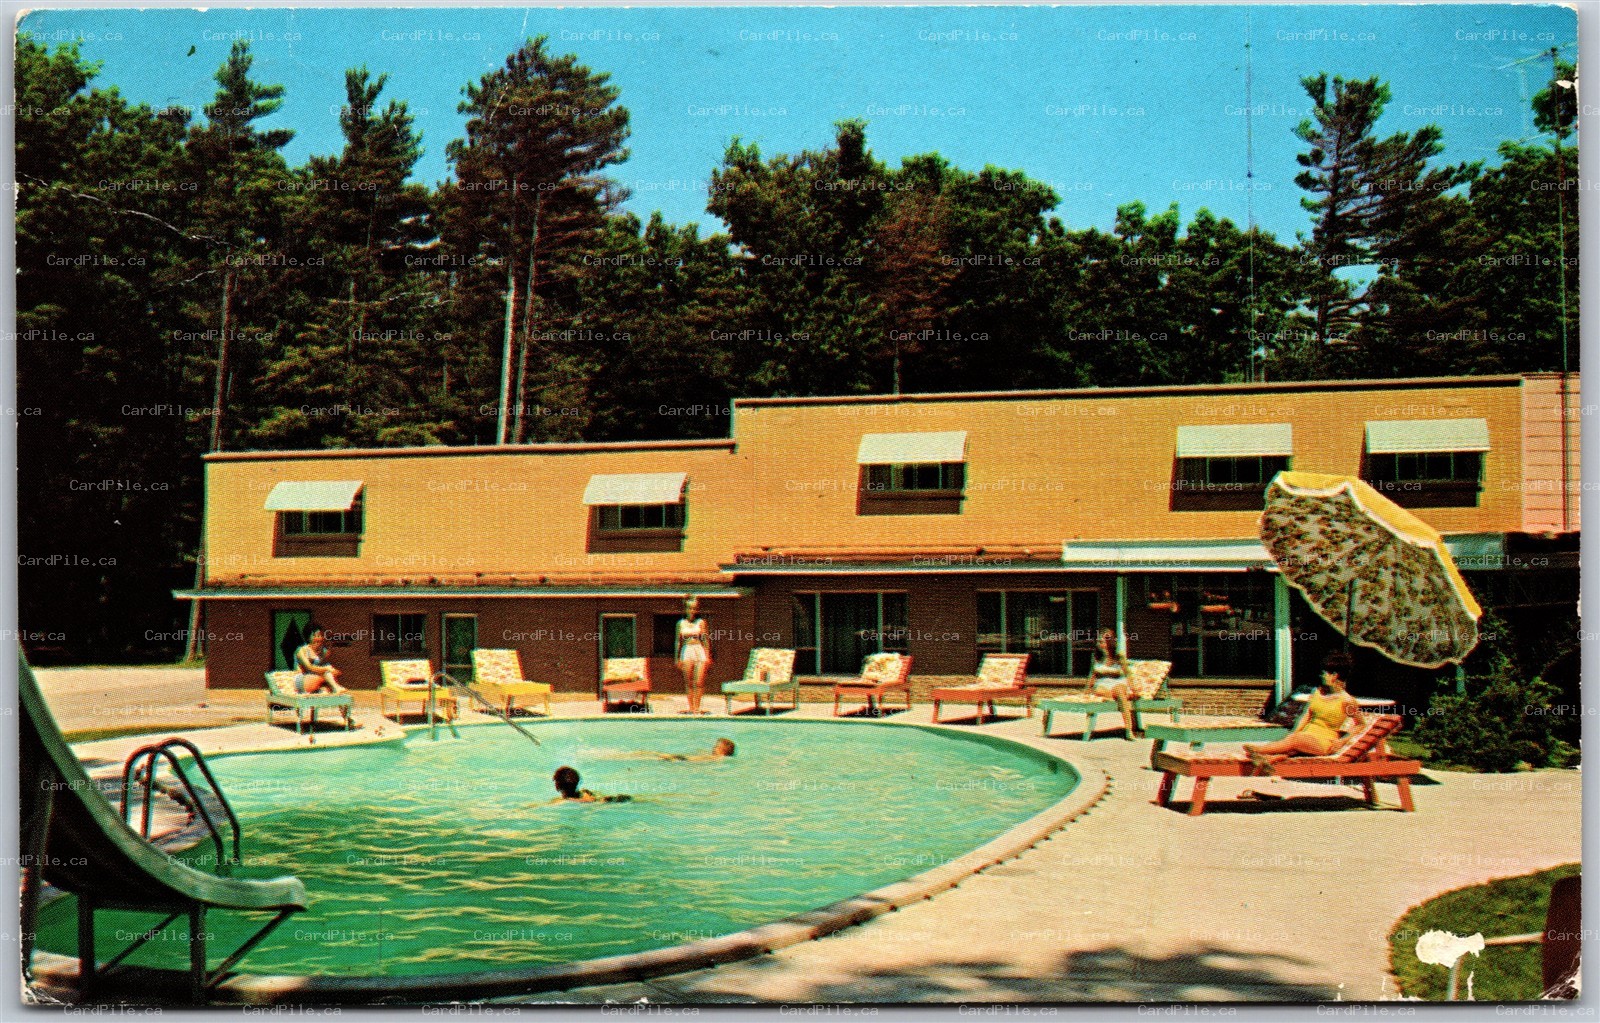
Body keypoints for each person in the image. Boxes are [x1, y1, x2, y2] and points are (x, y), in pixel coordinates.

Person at [1243, 651, 1364, 771]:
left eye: (1324, 673)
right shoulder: (1318, 692)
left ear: (1334, 675)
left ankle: (1258, 750)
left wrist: (1342, 741)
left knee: (1296, 740)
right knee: (1293, 741)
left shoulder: (1346, 701)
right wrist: (1293, 733)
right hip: (1306, 736)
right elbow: (1307, 714)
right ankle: (1270, 758)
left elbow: (1360, 724)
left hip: (1324, 742)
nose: (1321, 676)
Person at [1089, 627, 1140, 740]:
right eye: (1098, 642)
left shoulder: (1119, 657)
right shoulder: (1097, 658)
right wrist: (1087, 690)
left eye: (1102, 642)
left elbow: (1128, 675)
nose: (1099, 644)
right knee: (1098, 690)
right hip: (1102, 684)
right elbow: (1093, 676)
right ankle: (1117, 698)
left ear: (1109, 642)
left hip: (1117, 682)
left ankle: (1128, 730)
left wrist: (1134, 689)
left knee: (1120, 693)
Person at [675, 595, 712, 715]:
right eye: (690, 608)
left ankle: (698, 707)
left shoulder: (701, 622)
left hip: (699, 650)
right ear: (685, 609)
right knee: (689, 681)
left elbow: (705, 640)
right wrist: (677, 657)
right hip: (687, 651)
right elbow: (678, 641)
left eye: (694, 608)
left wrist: (707, 656)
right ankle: (691, 707)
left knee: (699, 681)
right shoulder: (680, 623)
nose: (692, 611)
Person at [293, 627, 346, 694]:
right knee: (326, 672)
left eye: (320, 635)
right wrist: (327, 669)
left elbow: (326, 666)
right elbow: (310, 667)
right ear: (308, 638)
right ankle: (336, 688)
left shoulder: (323, 651)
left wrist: (332, 670)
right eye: (315, 636)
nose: (318, 638)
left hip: (316, 678)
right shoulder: (302, 650)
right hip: (303, 680)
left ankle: (332, 688)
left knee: (328, 678)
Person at [549, 766, 630, 804]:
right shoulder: (583, 792)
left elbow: (590, 800)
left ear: (558, 785)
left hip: (603, 802)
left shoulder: (567, 801)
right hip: (607, 800)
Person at [628, 738, 736, 762]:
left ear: (724, 751)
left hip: (684, 759)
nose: (714, 748)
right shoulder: (713, 756)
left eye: (717, 747)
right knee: (654, 755)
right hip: (683, 759)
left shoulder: (718, 758)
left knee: (658, 756)